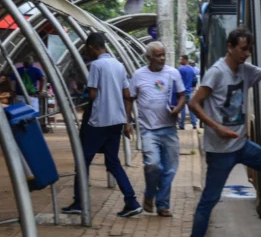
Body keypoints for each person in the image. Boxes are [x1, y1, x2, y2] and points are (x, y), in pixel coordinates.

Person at [184, 27, 261, 237]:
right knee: (209, 199)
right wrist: (217, 128)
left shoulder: (246, 70)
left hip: (241, 145)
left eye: (249, 50)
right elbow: (194, 104)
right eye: (242, 49)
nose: (246, 54)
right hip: (220, 149)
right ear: (230, 47)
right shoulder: (217, 73)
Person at [61, 33, 142, 218]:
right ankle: (131, 201)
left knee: (83, 161)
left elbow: (92, 94)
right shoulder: (119, 65)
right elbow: (127, 93)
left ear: (91, 47)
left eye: (86, 50)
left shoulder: (96, 65)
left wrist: (85, 95)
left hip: (98, 120)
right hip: (116, 120)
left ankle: (79, 201)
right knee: (113, 162)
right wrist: (126, 121)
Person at [128, 43, 186, 216]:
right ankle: (150, 194)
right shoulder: (138, 75)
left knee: (170, 169)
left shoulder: (173, 73)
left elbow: (183, 96)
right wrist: (126, 121)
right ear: (148, 58)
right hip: (148, 130)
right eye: (158, 55)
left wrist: (178, 109)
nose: (162, 58)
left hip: (169, 129)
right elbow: (130, 98)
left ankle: (162, 205)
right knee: (153, 165)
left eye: (163, 55)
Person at [176, 55, 198, 130]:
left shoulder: (181, 69)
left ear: (185, 60)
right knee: (191, 109)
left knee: (182, 110)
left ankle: (181, 125)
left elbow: (178, 81)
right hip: (189, 92)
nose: (180, 61)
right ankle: (194, 124)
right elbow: (195, 81)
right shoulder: (192, 69)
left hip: (182, 93)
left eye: (181, 59)